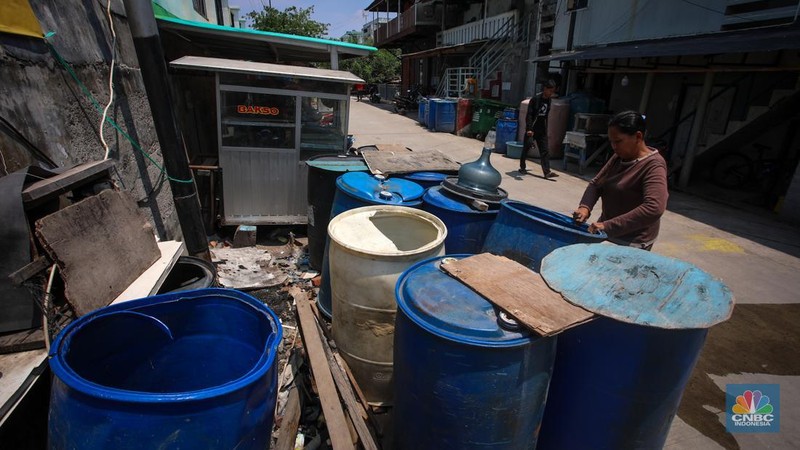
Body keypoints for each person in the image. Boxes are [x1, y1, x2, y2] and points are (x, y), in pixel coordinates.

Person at [572, 111, 668, 251]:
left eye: (618, 141)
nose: (614, 147)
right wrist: (584, 207)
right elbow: (596, 184)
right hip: (606, 232)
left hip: (631, 241)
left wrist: (608, 226)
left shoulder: (653, 165)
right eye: (611, 141)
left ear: (638, 136)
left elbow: (654, 208)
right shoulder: (619, 156)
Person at [520, 78, 559, 179]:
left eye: (553, 91)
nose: (551, 93)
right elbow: (529, 115)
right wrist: (529, 128)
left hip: (542, 129)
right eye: (550, 90)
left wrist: (546, 129)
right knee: (526, 147)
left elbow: (545, 116)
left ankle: (547, 172)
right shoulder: (535, 99)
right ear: (545, 89)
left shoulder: (549, 100)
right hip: (532, 128)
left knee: (545, 150)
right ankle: (522, 167)